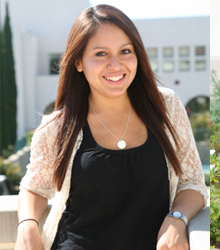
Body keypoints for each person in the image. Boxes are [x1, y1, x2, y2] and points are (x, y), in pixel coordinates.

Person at [14, 5, 208, 250]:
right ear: (78, 62)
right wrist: (28, 226)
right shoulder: (57, 126)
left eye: (125, 51)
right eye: (101, 54)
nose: (116, 65)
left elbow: (193, 182)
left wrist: (177, 219)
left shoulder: (166, 107)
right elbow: (34, 188)